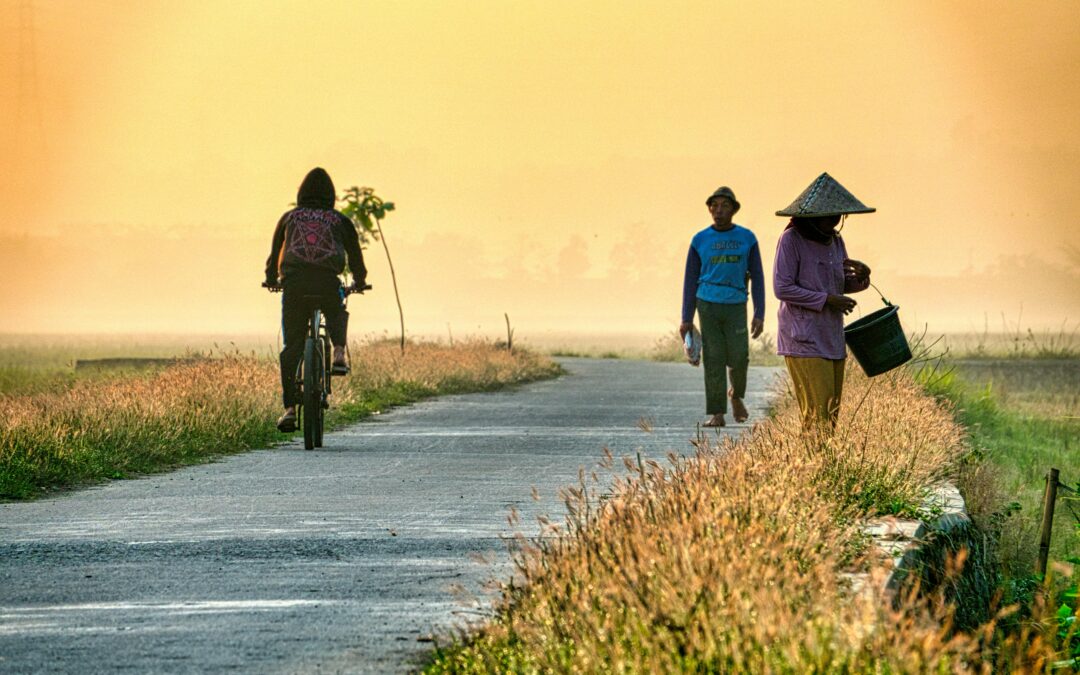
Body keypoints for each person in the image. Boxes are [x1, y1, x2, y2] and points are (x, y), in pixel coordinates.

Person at [264, 167, 368, 432]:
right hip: (326, 281)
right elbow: (355, 255)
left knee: (292, 348)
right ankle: (339, 352)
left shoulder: (289, 217)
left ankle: (289, 409)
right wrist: (360, 280)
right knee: (335, 307)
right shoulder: (339, 220)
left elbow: (275, 253)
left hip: (295, 285)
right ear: (331, 195)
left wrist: (272, 280)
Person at [772, 172, 873, 430]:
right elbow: (782, 287)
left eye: (837, 217)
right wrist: (827, 300)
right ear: (812, 217)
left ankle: (820, 464)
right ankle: (810, 465)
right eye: (828, 217)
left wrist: (862, 278)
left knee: (830, 414)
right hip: (803, 337)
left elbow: (840, 284)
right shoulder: (791, 240)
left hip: (831, 336)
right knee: (816, 415)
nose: (834, 222)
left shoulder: (835, 241)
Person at [680, 186, 765, 427]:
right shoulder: (700, 240)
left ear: (734, 210)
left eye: (724, 205)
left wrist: (760, 313)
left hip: (736, 303)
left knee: (740, 357)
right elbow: (690, 280)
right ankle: (717, 413)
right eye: (714, 205)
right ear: (709, 209)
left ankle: (736, 396)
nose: (718, 210)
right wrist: (686, 318)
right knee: (714, 358)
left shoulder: (747, 239)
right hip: (707, 303)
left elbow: (757, 276)